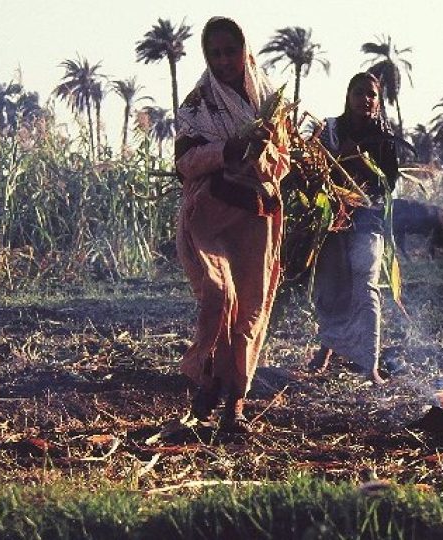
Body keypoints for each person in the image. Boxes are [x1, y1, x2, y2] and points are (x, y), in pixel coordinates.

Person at [174, 16, 290, 432]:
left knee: (251, 308)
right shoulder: (198, 104)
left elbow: (283, 160)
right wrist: (228, 150)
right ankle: (207, 379)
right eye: (215, 53)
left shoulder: (269, 101)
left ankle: (234, 404)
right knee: (218, 294)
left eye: (231, 51)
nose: (224, 60)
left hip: (256, 214)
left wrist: (260, 157)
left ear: (245, 50)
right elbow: (184, 161)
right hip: (210, 213)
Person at [308, 72, 399, 384]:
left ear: (378, 100)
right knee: (333, 286)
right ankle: (326, 348)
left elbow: (388, 184)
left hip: (368, 221)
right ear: (348, 95)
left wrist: (358, 160)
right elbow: (315, 169)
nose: (366, 99)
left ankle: (370, 363)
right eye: (359, 92)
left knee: (365, 287)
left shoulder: (385, 139)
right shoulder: (330, 130)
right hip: (333, 219)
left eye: (372, 94)